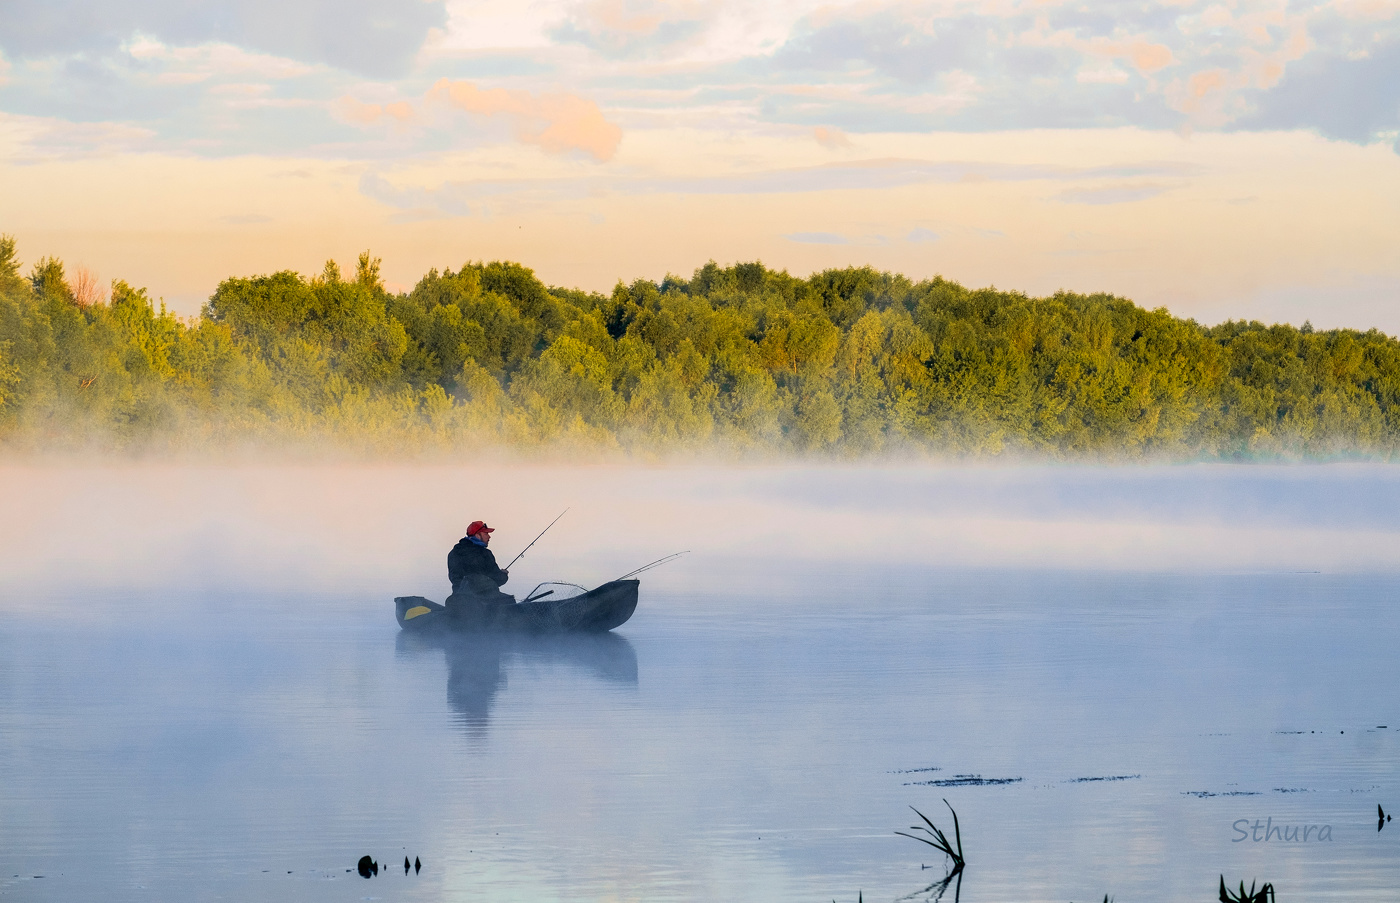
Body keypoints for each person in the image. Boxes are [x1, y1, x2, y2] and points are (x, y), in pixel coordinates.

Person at [447, 520, 513, 609]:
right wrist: (504, 574)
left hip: (459, 602)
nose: (489, 537)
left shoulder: (453, 553)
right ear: (477, 535)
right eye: (486, 534)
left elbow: (455, 578)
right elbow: (497, 579)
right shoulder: (485, 554)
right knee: (510, 602)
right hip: (486, 602)